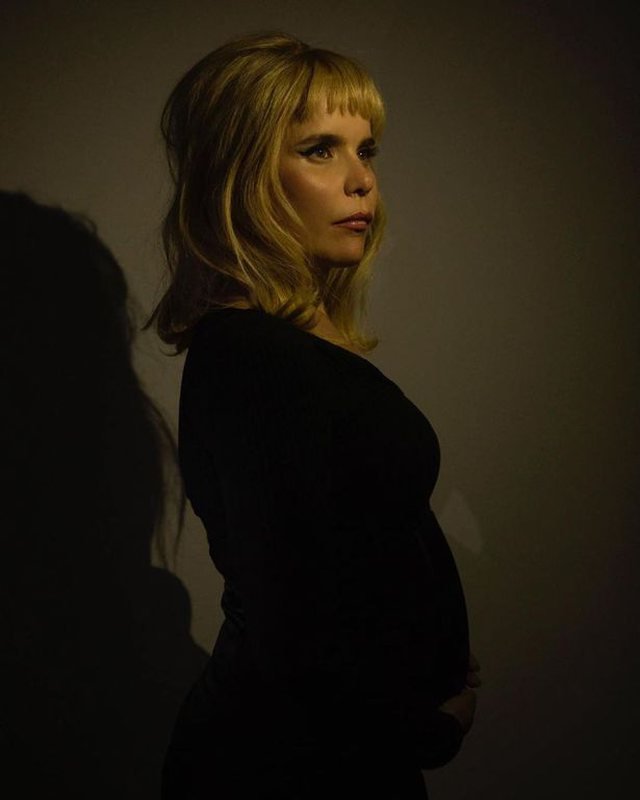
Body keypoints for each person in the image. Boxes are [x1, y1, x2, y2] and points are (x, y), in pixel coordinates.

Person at [150, 32, 481, 799]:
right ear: (240, 174)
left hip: (331, 753)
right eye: (320, 150)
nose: (362, 180)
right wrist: (426, 729)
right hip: (288, 768)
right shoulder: (252, 357)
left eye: (367, 151)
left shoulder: (281, 345)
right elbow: (288, 622)